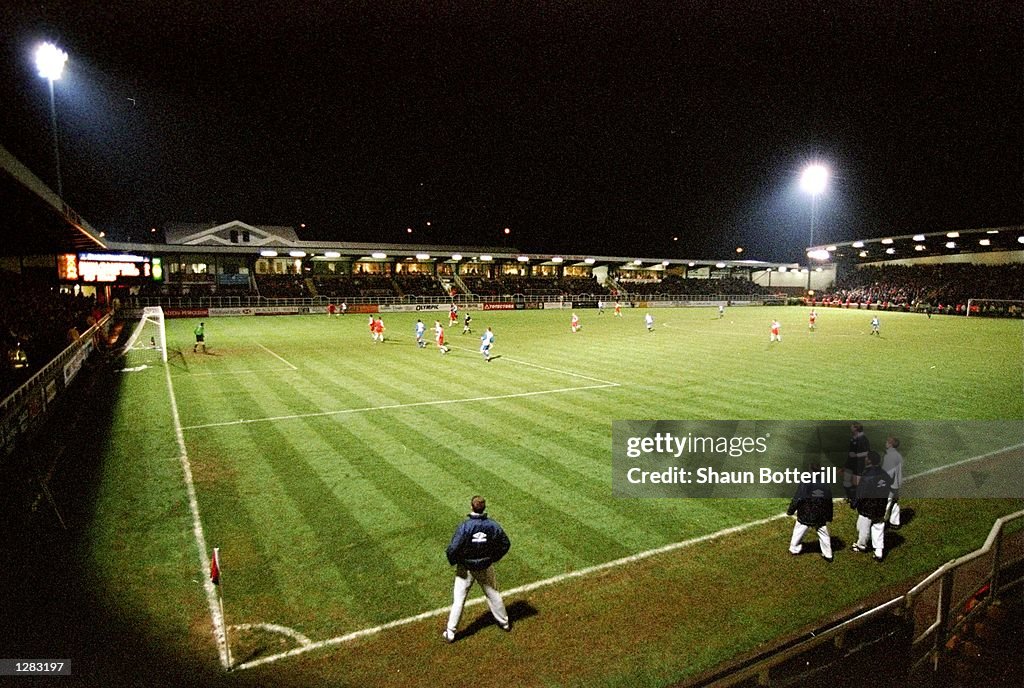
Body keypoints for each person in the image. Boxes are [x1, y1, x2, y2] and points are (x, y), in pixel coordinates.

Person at [444, 496, 511, 642]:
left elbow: (452, 549)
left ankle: (450, 631)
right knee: (493, 594)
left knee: (459, 600)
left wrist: (456, 561)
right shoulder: (492, 525)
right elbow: (505, 543)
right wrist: (492, 558)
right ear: (484, 508)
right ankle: (504, 623)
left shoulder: (465, 526)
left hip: (465, 569)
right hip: (485, 567)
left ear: (471, 507)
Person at [786, 461, 834, 562]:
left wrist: (791, 510)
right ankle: (828, 554)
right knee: (823, 533)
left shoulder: (805, 481)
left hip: (806, 513)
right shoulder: (825, 483)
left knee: (798, 531)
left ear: (810, 469)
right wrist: (829, 516)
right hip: (820, 515)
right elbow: (829, 501)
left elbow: (798, 498)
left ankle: (794, 549)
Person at [851, 452, 892, 562]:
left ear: (869, 461)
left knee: (863, 528)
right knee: (878, 527)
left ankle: (861, 546)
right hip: (880, 506)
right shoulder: (884, 474)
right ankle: (879, 552)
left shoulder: (868, 476)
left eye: (866, 458)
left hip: (868, 507)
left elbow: (861, 492)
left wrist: (854, 503)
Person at [881, 436, 903, 530]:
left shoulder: (889, 456)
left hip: (890, 485)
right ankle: (895, 522)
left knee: (886, 503)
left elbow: (889, 473)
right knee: (895, 502)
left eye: (887, 441)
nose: (886, 443)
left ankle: (882, 521)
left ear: (890, 444)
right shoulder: (898, 455)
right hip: (897, 483)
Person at [844, 422, 869, 502]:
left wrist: (856, 455)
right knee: (847, 480)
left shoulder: (863, 439)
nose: (850, 428)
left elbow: (867, 452)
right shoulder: (854, 437)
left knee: (856, 483)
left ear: (856, 428)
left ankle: (857, 499)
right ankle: (850, 496)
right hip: (851, 463)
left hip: (858, 464)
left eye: (852, 427)